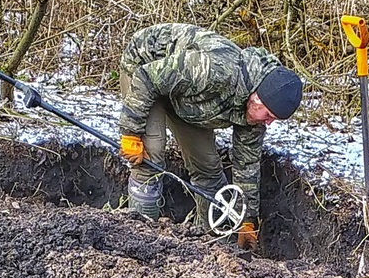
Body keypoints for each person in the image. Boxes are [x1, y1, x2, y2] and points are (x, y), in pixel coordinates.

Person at [115, 22, 303, 250]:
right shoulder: (214, 70)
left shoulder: (255, 116)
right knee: (150, 158)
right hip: (145, 68)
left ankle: (206, 246)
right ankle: (139, 239)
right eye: (269, 115)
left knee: (208, 169)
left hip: (188, 99)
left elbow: (247, 165)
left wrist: (247, 220)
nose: (269, 122)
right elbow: (147, 78)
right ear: (256, 98)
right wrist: (131, 132)